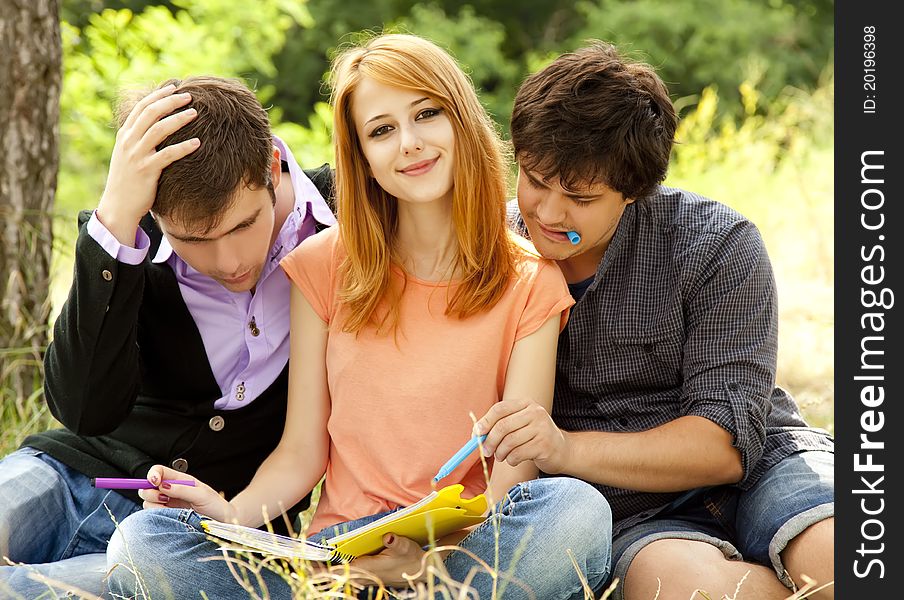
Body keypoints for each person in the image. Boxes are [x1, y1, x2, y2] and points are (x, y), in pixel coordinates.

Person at [105, 34, 612, 600]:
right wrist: (229, 516)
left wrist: (423, 566)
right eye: (382, 130)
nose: (410, 144)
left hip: (460, 553)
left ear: (461, 120)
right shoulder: (321, 267)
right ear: (362, 157)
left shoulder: (530, 281)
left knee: (576, 512)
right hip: (339, 556)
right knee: (141, 542)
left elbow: (510, 484)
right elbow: (301, 454)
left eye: (426, 114)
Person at [476, 42, 835, 600]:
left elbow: (724, 446)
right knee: (690, 591)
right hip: (632, 512)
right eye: (535, 179)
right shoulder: (490, 254)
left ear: (634, 192)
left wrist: (563, 449)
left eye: (579, 196)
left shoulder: (717, 244)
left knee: (843, 558)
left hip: (766, 467)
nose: (546, 213)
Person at [0, 76, 336, 598]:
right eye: (195, 240)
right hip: (71, 478)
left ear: (271, 167)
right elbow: (84, 411)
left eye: (244, 224)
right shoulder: (134, 239)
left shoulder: (350, 220)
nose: (230, 262)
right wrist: (115, 222)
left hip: (201, 543)